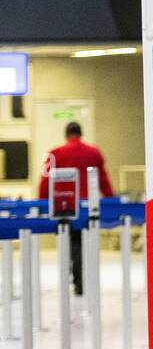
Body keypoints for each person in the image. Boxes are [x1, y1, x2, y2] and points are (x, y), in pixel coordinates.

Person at [38, 122, 114, 297]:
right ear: (81, 133)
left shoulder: (54, 153)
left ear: (66, 135)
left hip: (64, 206)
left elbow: (45, 181)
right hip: (88, 207)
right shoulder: (94, 152)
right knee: (84, 242)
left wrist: (42, 204)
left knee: (72, 243)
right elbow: (103, 179)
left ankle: (75, 278)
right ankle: (82, 279)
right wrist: (110, 200)